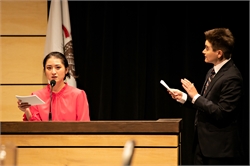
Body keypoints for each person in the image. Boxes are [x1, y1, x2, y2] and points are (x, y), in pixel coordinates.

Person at [168, 28, 243, 165]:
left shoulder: (232, 77)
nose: (203, 51)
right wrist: (185, 97)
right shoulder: (211, 72)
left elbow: (222, 113)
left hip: (219, 151)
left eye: (207, 48)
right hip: (202, 146)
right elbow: (205, 104)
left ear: (219, 53)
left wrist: (195, 95)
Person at [17, 51, 90, 121]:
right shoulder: (36, 96)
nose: (53, 72)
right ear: (44, 71)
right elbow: (35, 128)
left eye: (58, 67)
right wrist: (27, 110)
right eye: (49, 68)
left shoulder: (78, 95)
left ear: (66, 70)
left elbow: (84, 125)